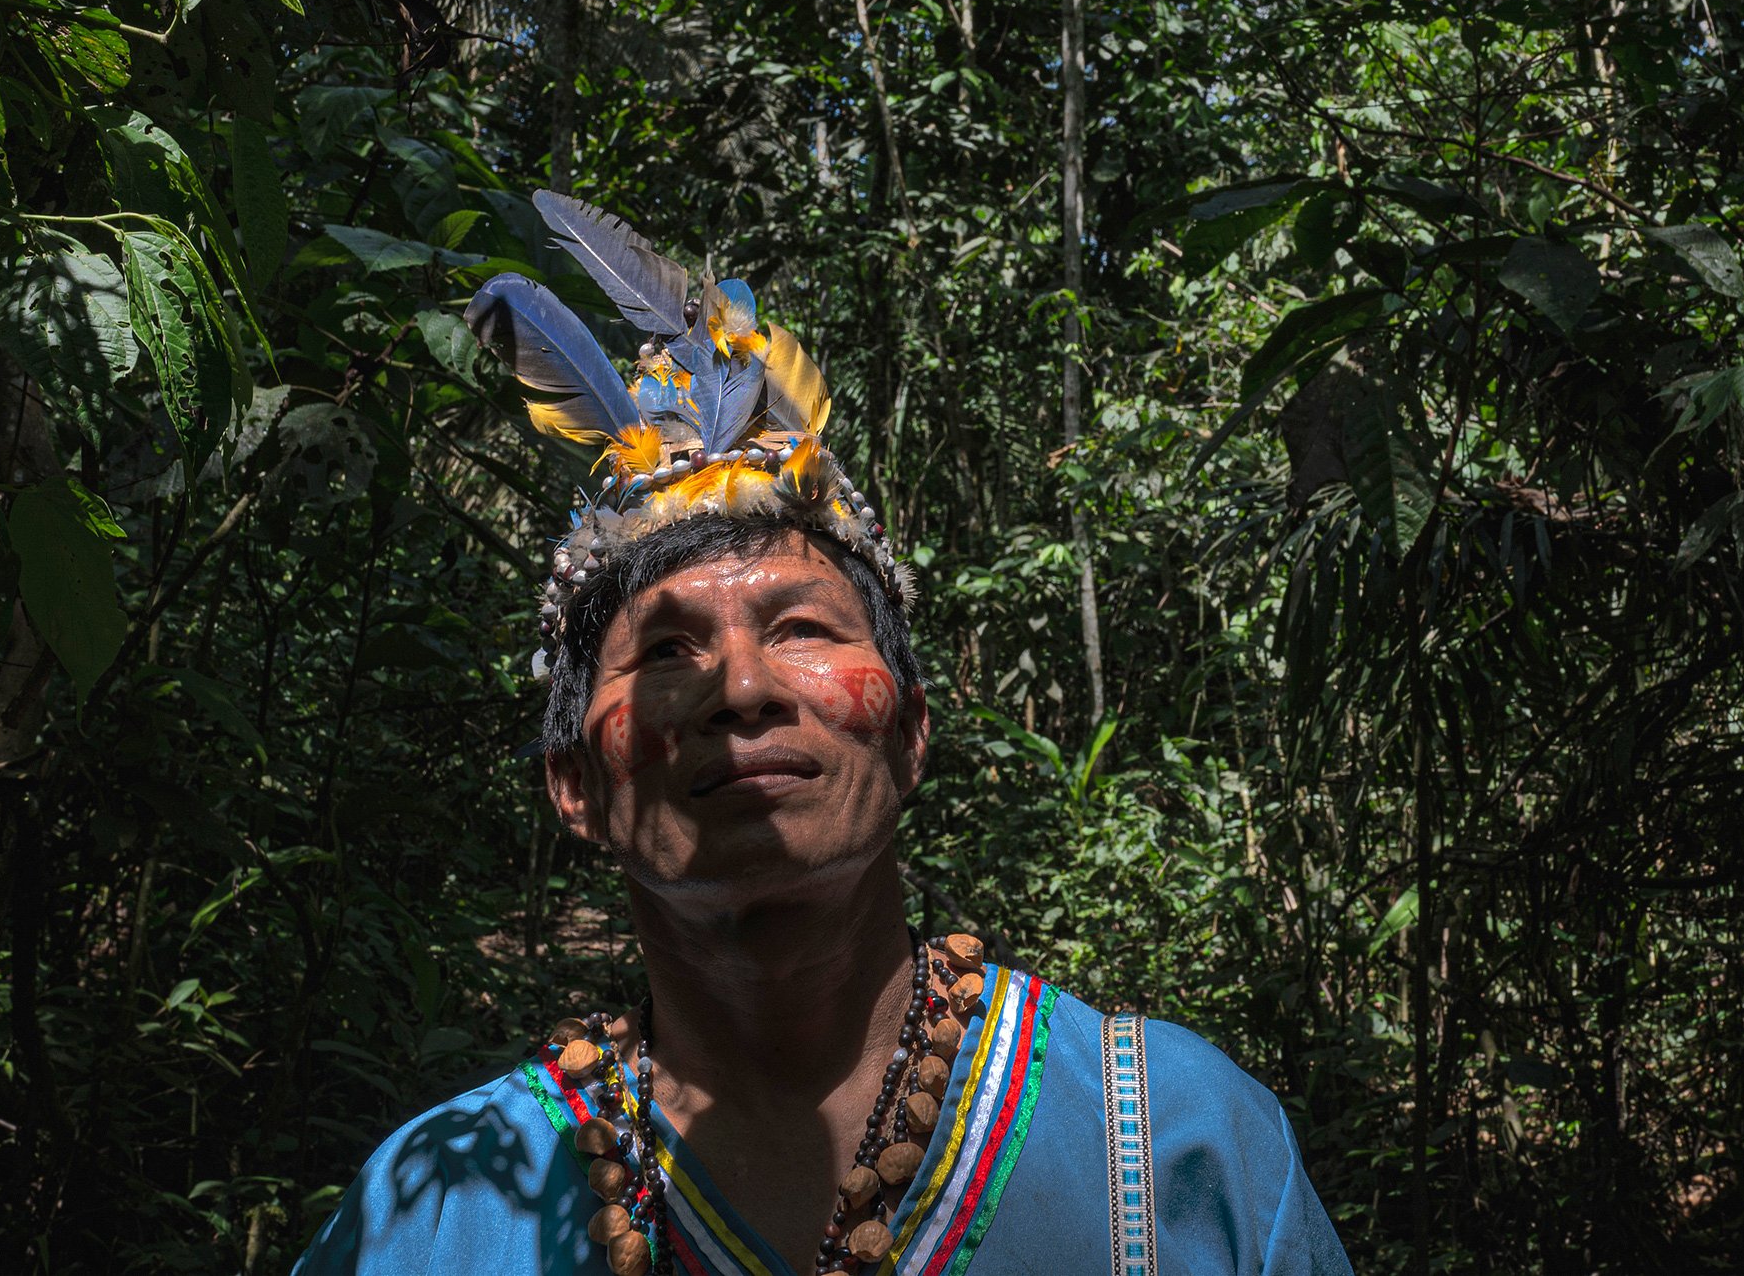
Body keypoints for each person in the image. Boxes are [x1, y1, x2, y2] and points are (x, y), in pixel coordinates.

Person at [292, 194, 1352, 1276]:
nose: (741, 688)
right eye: (665, 652)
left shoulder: (1173, 1150)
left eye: (801, 630)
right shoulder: (435, 1211)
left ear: (911, 732)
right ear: (575, 783)